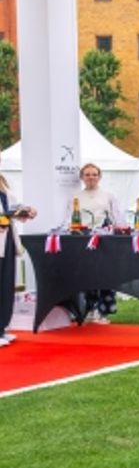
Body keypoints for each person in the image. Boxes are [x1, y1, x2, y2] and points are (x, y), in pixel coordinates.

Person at [67, 163, 123, 323]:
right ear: (82, 177)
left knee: (105, 276)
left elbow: (117, 217)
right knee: (87, 277)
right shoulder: (76, 197)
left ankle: (103, 312)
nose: (91, 177)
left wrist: (120, 232)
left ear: (99, 177)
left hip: (104, 241)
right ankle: (89, 310)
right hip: (83, 240)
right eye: (87, 174)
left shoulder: (108, 196)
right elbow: (68, 218)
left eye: (94, 174)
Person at [0, 148, 38, 348]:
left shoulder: (2, 180)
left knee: (6, 282)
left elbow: (11, 207)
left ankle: (2, 327)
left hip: (6, 238)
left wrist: (25, 211)